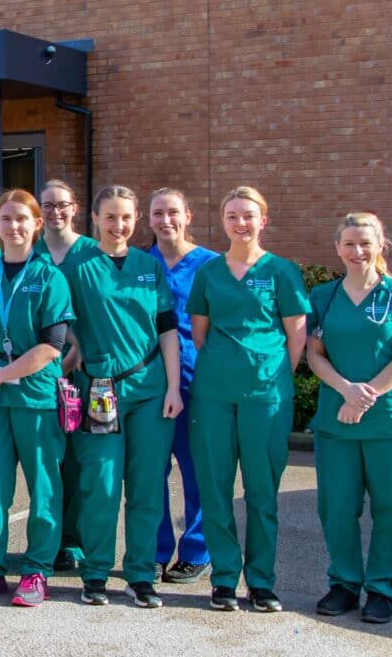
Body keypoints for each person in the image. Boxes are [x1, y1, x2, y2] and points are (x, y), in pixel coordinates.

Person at [187, 186, 310, 613]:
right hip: (213, 395)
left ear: (263, 220)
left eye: (248, 215)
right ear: (223, 222)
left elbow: (296, 336)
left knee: (262, 492)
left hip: (266, 397)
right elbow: (200, 333)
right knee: (215, 489)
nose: (241, 223)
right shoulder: (209, 272)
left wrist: (265, 372)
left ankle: (261, 582)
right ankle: (224, 580)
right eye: (232, 216)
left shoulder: (282, 271)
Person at [63, 186, 182, 608]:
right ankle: (96, 572)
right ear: (95, 218)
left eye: (126, 217)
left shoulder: (149, 266)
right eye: (110, 217)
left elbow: (167, 328)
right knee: (102, 483)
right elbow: (57, 315)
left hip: (150, 390)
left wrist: (173, 387)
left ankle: (140, 575)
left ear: (136, 220)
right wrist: (75, 343)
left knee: (147, 485)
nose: (119, 225)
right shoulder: (77, 266)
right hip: (100, 388)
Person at [306, 213, 392, 625]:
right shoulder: (323, 296)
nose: (357, 251)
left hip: (390, 422)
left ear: (380, 246)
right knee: (337, 508)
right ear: (337, 248)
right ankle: (344, 583)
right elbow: (314, 355)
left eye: (365, 243)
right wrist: (346, 390)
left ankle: (382, 589)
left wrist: (362, 398)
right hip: (336, 421)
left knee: (391, 507)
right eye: (349, 244)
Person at [0, 189, 74, 608]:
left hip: (35, 395)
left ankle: (37, 568)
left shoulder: (50, 277)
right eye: (5, 218)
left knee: (44, 487)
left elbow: (52, 347)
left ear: (37, 224)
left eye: (22, 218)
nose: (13, 226)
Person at [147, 188, 218, 584]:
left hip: (198, 383)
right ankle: (156, 551)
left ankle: (196, 551)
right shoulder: (141, 264)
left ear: (188, 216)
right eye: (158, 213)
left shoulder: (211, 265)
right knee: (151, 472)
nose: (166, 220)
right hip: (149, 385)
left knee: (197, 471)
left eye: (173, 212)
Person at [34, 178, 99, 572]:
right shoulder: (31, 252)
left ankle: (72, 540)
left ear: (75, 207)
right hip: (40, 372)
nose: (55, 212)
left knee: (77, 460)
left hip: (82, 372)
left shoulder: (93, 253)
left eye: (62, 204)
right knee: (46, 460)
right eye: (47, 205)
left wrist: (77, 355)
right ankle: (48, 537)